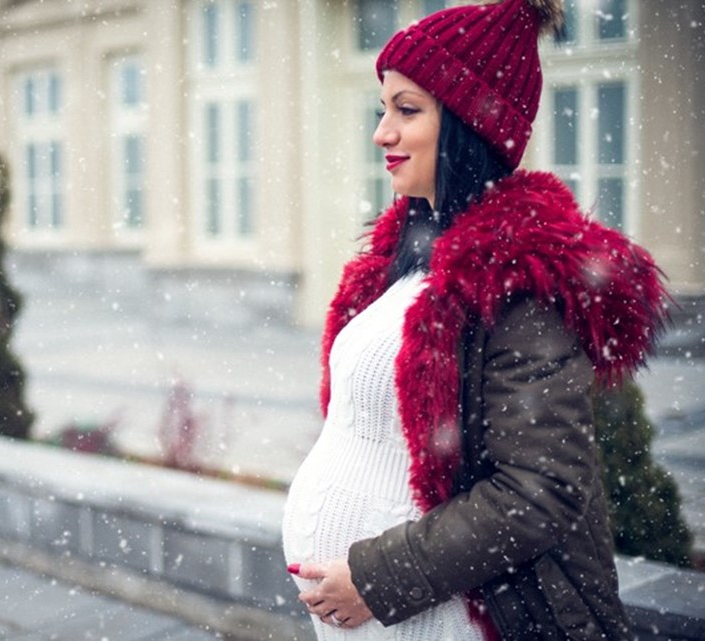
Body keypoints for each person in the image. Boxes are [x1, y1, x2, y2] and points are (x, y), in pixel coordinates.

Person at [281, 0, 669, 639]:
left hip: (445, 616)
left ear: (468, 124)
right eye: (384, 109)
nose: (382, 132)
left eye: (407, 110)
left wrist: (377, 579)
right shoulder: (410, 258)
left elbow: (539, 490)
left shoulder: (517, 277)